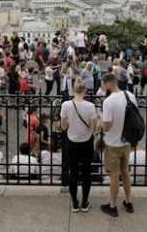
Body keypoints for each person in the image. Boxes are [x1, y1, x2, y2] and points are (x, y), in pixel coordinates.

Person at [98, 72, 137, 217]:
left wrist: (100, 116)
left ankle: (113, 206)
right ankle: (128, 200)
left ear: (107, 84)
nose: (102, 87)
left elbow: (106, 126)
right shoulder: (130, 95)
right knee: (125, 171)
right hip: (126, 141)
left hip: (113, 143)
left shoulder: (108, 102)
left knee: (114, 175)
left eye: (102, 84)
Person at [60, 79, 99, 212]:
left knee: (73, 173)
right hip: (86, 142)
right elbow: (94, 129)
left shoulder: (66, 105)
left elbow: (63, 127)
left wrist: (71, 121)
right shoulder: (90, 106)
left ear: (73, 91)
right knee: (86, 173)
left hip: (72, 142)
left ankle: (75, 203)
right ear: (84, 91)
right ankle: (85, 202)